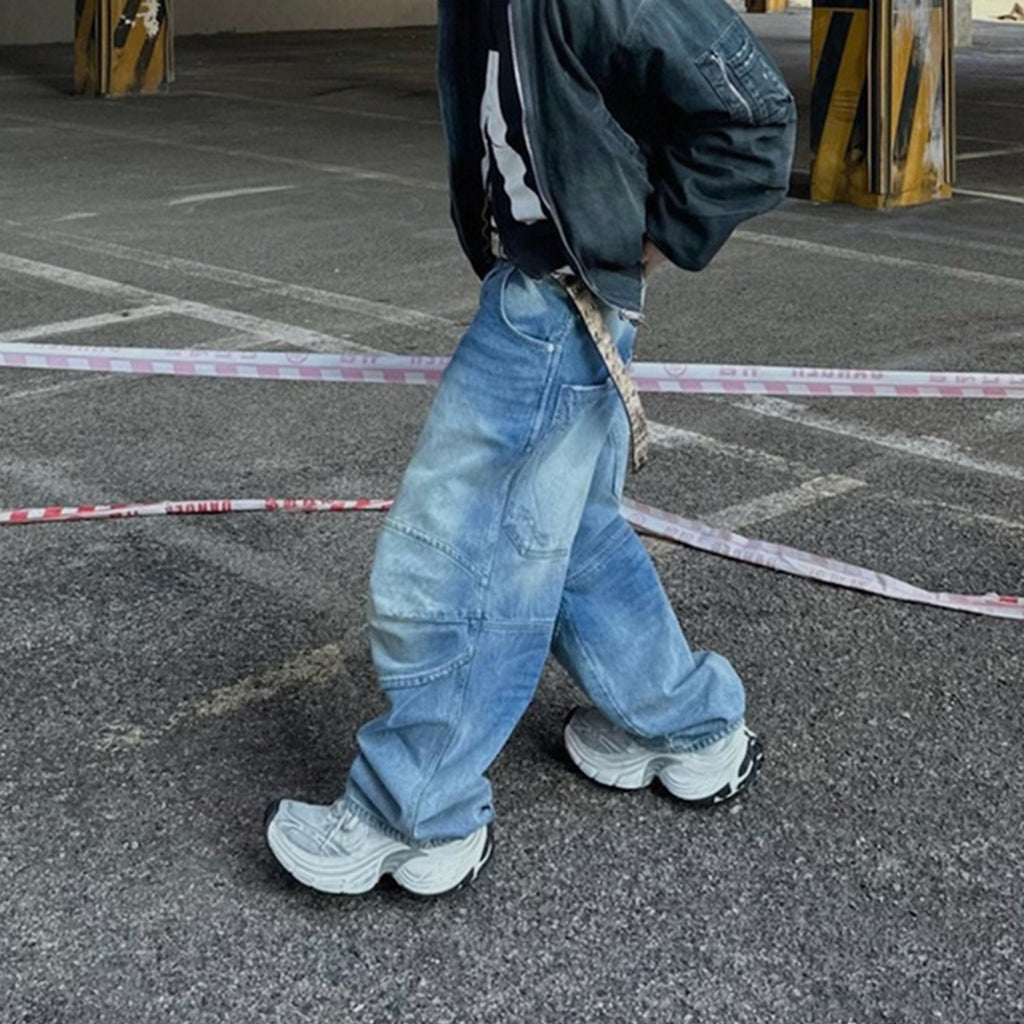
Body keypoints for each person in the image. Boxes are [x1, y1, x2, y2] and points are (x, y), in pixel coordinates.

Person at [265, 0, 796, 896]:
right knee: (572, 539)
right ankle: (690, 727)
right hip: (542, 291)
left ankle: (415, 813)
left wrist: (640, 241)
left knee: (455, 558)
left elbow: (754, 116)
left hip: (553, 309)